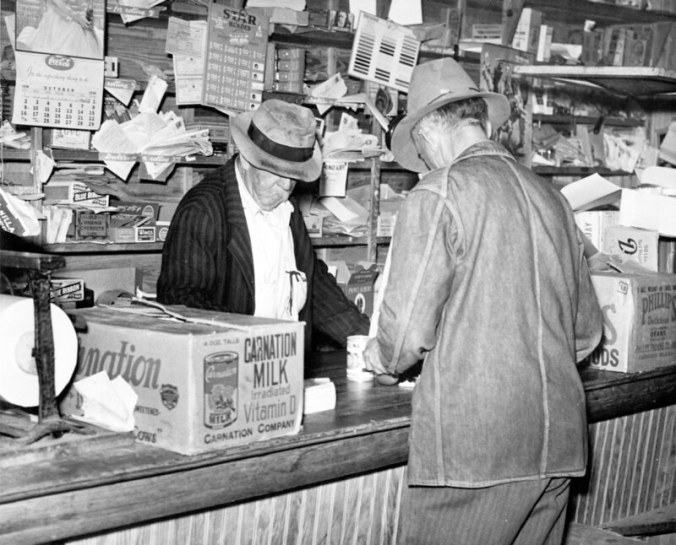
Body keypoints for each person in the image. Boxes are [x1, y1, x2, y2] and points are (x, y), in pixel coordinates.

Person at [364, 58, 603, 545]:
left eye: (421, 151)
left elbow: (403, 337)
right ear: (481, 121)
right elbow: (586, 333)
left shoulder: (441, 191)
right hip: (557, 444)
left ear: (429, 132)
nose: (424, 163)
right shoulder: (551, 198)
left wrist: (379, 357)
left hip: (475, 453)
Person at [157, 99, 370, 351]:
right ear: (247, 160)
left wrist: (366, 340)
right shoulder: (204, 210)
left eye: (295, 176)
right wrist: (253, 343)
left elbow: (315, 285)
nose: (287, 186)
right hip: (231, 363)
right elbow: (182, 302)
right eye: (278, 173)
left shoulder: (285, 208)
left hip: (286, 361)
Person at [17, 0, 103, 59]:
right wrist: (77, 17)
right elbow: (62, 6)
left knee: (85, 31)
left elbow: (80, 3)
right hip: (54, 19)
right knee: (74, 29)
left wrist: (85, 12)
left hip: (68, 17)